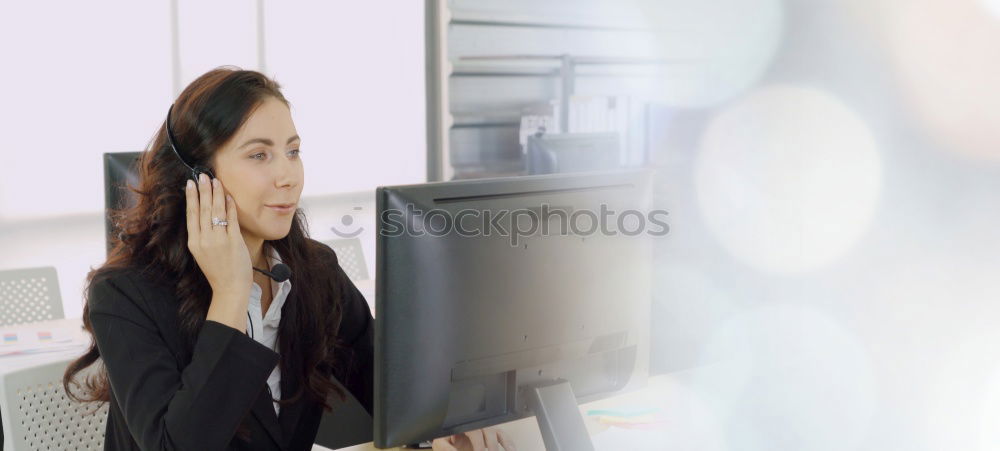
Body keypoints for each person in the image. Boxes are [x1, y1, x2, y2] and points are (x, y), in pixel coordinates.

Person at [63, 66, 514, 451]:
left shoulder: (314, 272)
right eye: (259, 155)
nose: (288, 176)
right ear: (197, 178)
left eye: (293, 151)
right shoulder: (125, 293)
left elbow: (389, 381)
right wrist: (230, 294)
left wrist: (455, 419)